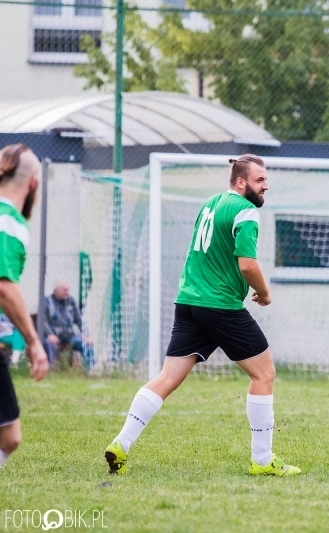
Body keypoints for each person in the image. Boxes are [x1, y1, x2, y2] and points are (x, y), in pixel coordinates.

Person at [103, 154, 300, 477]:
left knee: (167, 378)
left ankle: (121, 443)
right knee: (264, 374)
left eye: (266, 179)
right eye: (260, 180)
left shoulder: (210, 203)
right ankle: (263, 460)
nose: (266, 186)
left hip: (189, 302)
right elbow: (247, 265)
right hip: (220, 305)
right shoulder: (245, 210)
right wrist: (264, 293)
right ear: (241, 182)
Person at [0, 143, 49, 468]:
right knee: (9, 436)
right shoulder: (9, 222)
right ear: (33, 183)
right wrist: (33, 341)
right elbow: (4, 287)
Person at [41, 281, 94, 370]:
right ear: (55, 291)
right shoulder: (46, 302)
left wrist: (86, 335)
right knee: (50, 344)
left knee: (87, 345)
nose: (67, 292)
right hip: (53, 335)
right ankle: (50, 370)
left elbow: (79, 320)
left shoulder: (71, 301)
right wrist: (50, 334)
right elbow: (43, 321)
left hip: (69, 335)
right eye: (64, 290)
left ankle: (90, 370)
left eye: (68, 290)